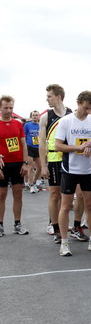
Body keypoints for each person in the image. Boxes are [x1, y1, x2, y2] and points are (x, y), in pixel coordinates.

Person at [54, 91, 91, 256]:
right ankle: (64, 243)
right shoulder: (66, 121)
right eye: (86, 107)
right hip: (70, 169)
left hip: (88, 170)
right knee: (66, 206)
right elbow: (58, 146)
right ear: (78, 103)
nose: (88, 111)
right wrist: (78, 148)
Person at [38, 84, 72, 243]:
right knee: (54, 194)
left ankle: (67, 223)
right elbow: (42, 143)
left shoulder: (71, 114)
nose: (47, 99)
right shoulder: (46, 117)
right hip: (53, 160)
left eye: (49, 96)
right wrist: (43, 165)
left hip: (70, 158)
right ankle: (55, 226)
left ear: (58, 96)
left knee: (70, 196)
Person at [0, 95, 29, 236]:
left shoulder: (18, 124)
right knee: (1, 195)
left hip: (17, 163)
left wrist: (25, 162)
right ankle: (0, 225)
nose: (8, 110)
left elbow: (23, 144)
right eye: (5, 107)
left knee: (18, 194)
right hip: (2, 164)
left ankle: (17, 224)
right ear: (0, 108)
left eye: (11, 107)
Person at [24, 110, 42, 193]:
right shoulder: (27, 125)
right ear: (31, 116)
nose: (35, 116)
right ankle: (31, 185)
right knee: (30, 166)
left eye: (36, 115)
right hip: (29, 146)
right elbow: (24, 136)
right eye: (34, 115)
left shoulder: (41, 125)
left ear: (39, 116)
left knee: (40, 167)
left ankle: (34, 182)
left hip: (38, 147)